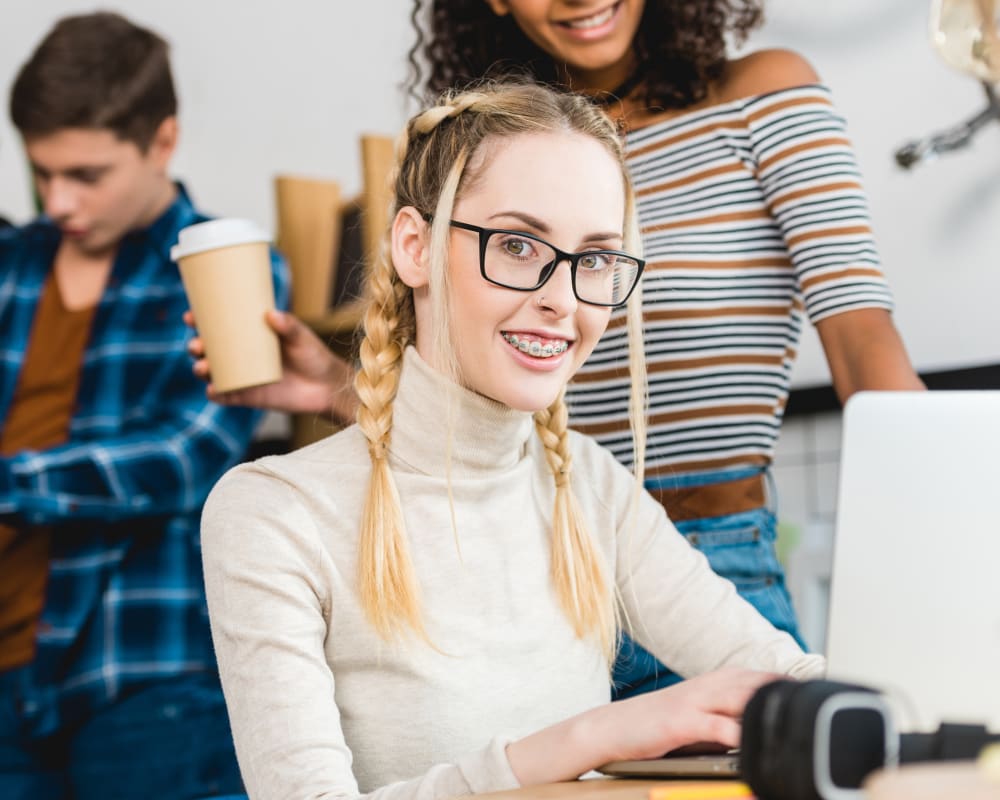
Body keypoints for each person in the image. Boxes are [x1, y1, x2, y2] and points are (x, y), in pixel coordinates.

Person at [191, 0, 924, 700]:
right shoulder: (489, 145)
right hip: (522, 580)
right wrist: (336, 388)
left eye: (600, 256)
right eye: (518, 243)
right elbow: (472, 424)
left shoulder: (762, 98)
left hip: (713, 564)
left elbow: (863, 343)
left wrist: (943, 549)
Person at [200, 80, 824, 800]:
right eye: (520, 244)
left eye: (595, 258)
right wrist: (593, 737)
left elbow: (781, 672)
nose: (564, 300)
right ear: (414, 247)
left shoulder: (589, 488)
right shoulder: (272, 513)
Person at [0, 12, 289, 800]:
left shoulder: (225, 265)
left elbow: (185, 453)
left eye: (86, 175)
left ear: (162, 141)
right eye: (41, 173)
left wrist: (12, 483)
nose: (58, 200)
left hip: (147, 671)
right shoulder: (10, 265)